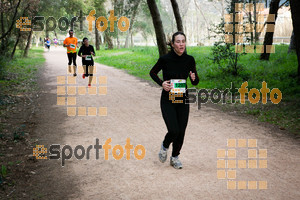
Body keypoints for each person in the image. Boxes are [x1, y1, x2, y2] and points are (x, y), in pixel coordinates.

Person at [149, 32, 199, 169]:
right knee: (174, 130)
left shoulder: (189, 59)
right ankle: (165, 146)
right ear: (172, 44)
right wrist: (162, 83)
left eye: (183, 41)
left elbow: (195, 81)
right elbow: (152, 72)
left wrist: (194, 79)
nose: (181, 44)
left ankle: (175, 157)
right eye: (178, 41)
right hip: (168, 100)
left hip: (183, 100)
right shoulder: (165, 59)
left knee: (181, 131)